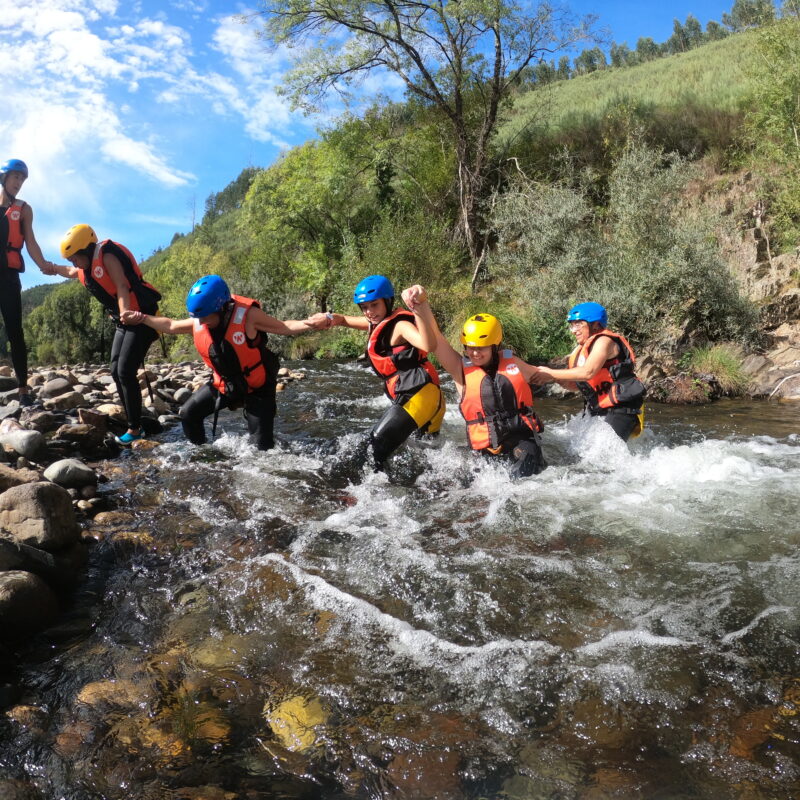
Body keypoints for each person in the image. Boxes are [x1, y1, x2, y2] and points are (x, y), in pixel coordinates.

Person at [120, 275, 327, 451]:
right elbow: (171, 325)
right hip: (225, 384)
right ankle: (201, 455)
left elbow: (284, 327)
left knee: (261, 449)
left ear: (221, 307)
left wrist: (310, 324)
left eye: (205, 317)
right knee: (188, 414)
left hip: (257, 388)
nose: (200, 323)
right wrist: (141, 318)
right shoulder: (201, 316)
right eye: (197, 318)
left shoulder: (248, 317)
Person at [400, 286, 546, 478]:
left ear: (495, 346)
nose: (475, 353)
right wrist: (421, 304)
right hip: (485, 449)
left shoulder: (514, 364)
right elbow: (437, 338)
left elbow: (547, 375)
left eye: (481, 348)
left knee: (523, 472)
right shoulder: (460, 370)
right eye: (470, 348)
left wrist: (580, 376)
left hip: (521, 441)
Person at [309, 275, 445, 468]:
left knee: (375, 447)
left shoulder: (400, 326)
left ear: (387, 302)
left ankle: (363, 493)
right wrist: (329, 318)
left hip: (420, 396)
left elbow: (428, 345)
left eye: (374, 305)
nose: (369, 312)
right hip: (427, 397)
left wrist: (418, 308)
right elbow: (344, 319)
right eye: (364, 307)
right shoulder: (378, 322)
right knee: (425, 458)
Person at [50, 224, 162, 445]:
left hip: (140, 317)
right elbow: (72, 272)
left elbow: (121, 285)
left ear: (86, 250)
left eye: (75, 258)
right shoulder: (85, 267)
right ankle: (134, 419)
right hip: (125, 320)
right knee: (115, 369)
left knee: (126, 371)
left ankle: (135, 428)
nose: (73, 263)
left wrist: (124, 312)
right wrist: (52, 267)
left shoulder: (107, 256)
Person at [534, 302, 645, 441]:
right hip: (600, 409)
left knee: (602, 458)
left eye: (578, 324)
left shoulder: (605, 341)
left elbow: (588, 372)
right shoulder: (580, 350)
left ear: (596, 325)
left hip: (622, 407)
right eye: (572, 325)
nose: (573, 330)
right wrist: (554, 379)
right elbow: (576, 385)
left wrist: (550, 373)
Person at [0, 158, 58, 406]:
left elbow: (30, 241)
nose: (19, 183)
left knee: (16, 332)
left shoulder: (24, 209)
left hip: (9, 278)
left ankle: (23, 388)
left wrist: (44, 264)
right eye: (15, 177)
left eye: (22, 179)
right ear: (4, 177)